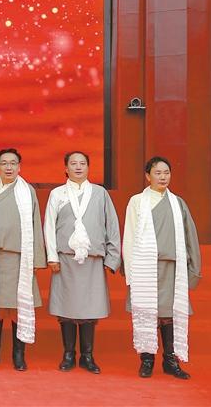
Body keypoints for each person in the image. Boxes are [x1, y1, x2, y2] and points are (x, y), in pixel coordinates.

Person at [122, 156, 202, 379]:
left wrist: (194, 269)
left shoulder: (178, 203)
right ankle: (147, 360)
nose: (163, 177)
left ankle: (170, 361)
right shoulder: (137, 201)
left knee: (169, 314)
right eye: (158, 173)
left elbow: (190, 237)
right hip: (144, 268)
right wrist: (130, 270)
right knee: (147, 313)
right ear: (148, 176)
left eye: (166, 173)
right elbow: (129, 236)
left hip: (172, 269)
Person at [44, 151, 121, 373]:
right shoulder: (57, 194)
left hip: (92, 258)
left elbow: (112, 225)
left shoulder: (100, 193)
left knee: (90, 308)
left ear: (88, 167)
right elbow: (49, 226)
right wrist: (52, 256)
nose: (78, 167)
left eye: (82, 163)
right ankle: (68, 354)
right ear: (65, 168)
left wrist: (112, 257)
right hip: (66, 259)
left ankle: (88, 355)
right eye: (73, 163)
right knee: (66, 308)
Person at [0, 148, 46, 371]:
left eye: (13, 163)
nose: (9, 167)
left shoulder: (28, 191)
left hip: (19, 258)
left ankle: (18, 354)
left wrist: (37, 259)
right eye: (4, 163)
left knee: (18, 307)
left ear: (19, 167)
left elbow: (36, 225)